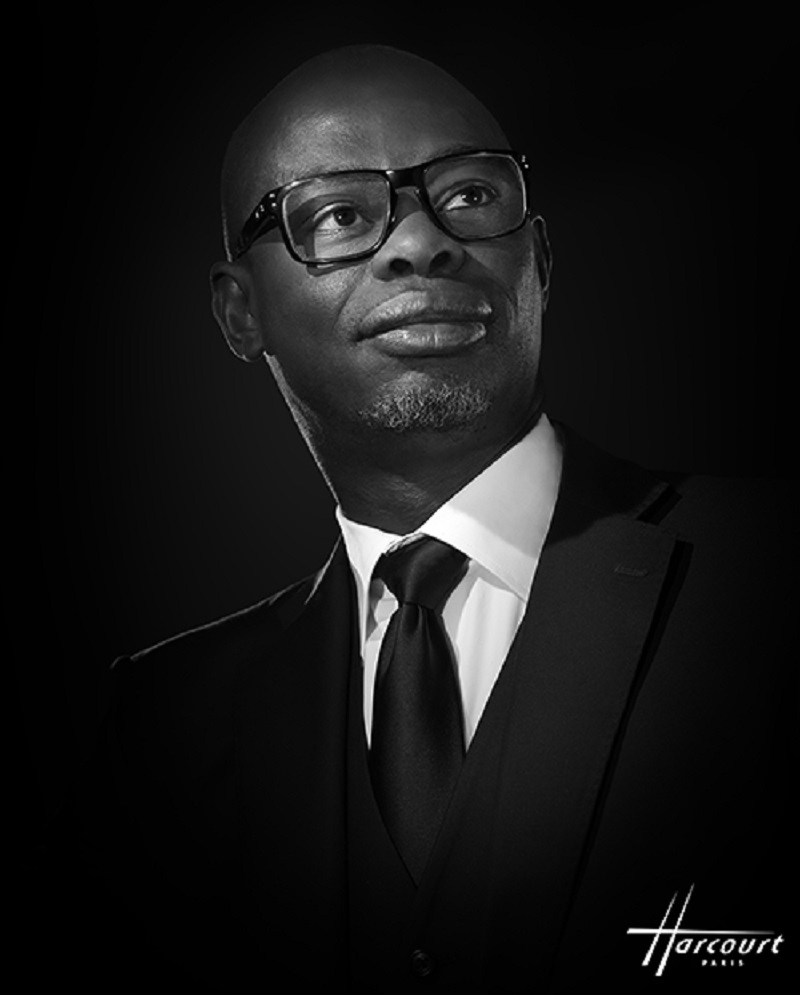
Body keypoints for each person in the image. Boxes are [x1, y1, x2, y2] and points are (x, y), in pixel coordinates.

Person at [47, 43, 792, 993]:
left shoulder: (773, 575)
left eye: (471, 195)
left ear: (541, 260)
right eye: (339, 214)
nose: (419, 242)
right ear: (240, 313)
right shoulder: (161, 727)